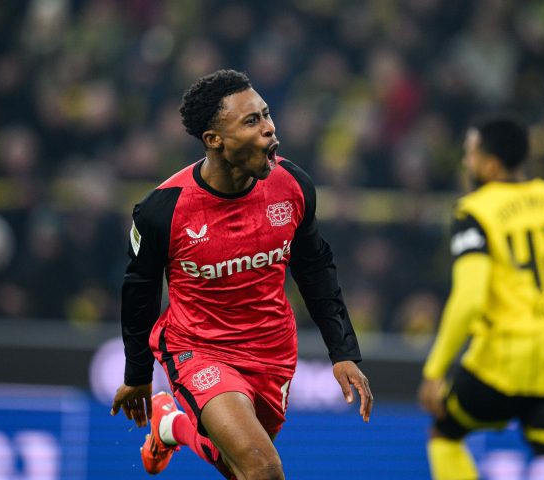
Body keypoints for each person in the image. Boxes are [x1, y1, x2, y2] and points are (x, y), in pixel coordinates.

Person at [110, 69, 373, 479]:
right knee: (262, 468)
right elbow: (139, 291)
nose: (270, 129)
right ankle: (172, 420)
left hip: (272, 352)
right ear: (214, 140)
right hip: (198, 348)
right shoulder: (163, 210)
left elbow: (316, 268)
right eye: (252, 121)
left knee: (234, 465)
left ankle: (171, 426)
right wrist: (138, 374)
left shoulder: (293, 186)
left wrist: (343, 352)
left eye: (267, 115)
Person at [418, 114, 544, 480]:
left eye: (470, 154)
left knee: (444, 434)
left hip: (499, 365)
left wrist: (435, 370)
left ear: (490, 163)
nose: (466, 162)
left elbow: (468, 299)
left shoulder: (475, 210)